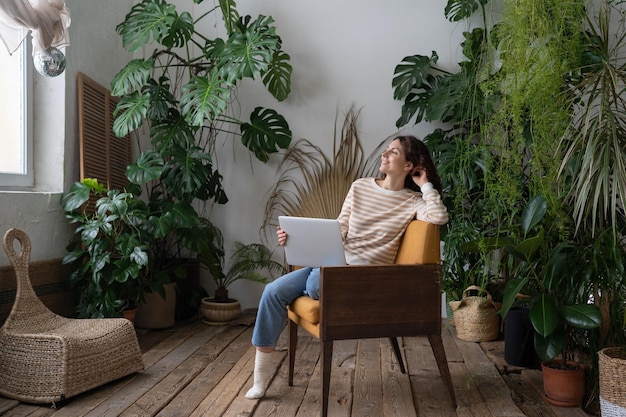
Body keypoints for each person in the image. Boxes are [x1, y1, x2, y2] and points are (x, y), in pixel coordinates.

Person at [245, 135, 448, 399]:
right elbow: (340, 229)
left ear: (410, 165)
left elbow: (438, 217)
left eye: (394, 152)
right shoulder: (360, 187)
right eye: (386, 149)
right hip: (333, 263)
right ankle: (260, 382)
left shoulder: (412, 201)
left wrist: (426, 185)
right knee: (272, 292)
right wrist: (295, 239)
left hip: (361, 277)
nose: (385, 155)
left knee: (316, 284)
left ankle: (316, 278)